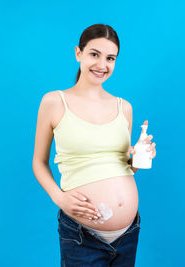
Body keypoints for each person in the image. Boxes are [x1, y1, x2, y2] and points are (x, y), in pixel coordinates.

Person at [32, 24, 157, 266]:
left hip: (129, 234)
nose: (102, 65)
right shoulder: (55, 102)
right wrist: (59, 197)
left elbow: (120, 167)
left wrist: (140, 157)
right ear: (78, 53)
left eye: (110, 58)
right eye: (94, 54)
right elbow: (38, 162)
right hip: (82, 235)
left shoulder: (124, 107)